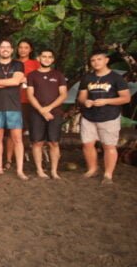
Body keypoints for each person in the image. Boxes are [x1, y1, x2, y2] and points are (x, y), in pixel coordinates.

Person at [77, 50, 131, 184]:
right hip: (89, 116)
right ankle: (92, 169)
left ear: (106, 60)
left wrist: (106, 101)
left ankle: (108, 174)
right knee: (87, 144)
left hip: (109, 117)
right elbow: (81, 97)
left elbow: (126, 98)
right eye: (93, 60)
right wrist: (86, 102)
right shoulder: (87, 78)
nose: (96, 62)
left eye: (99, 59)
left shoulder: (116, 78)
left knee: (109, 146)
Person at [0, 39, 28, 180]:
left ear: (11, 50)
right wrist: (10, 82)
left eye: (7, 47)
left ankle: (20, 170)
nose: (5, 49)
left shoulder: (18, 64)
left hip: (14, 106)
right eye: (2, 47)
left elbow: (15, 82)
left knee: (17, 138)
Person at [26, 49, 68, 179]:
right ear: (39, 58)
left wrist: (48, 108)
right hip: (36, 113)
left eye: (50, 57)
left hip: (54, 113)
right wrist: (41, 110)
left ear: (53, 59)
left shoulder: (58, 75)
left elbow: (63, 95)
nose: (47, 59)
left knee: (54, 142)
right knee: (37, 142)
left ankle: (54, 171)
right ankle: (39, 170)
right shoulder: (32, 75)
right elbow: (30, 95)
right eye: (44, 56)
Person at [6, 38, 40, 168]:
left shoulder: (36, 64)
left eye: (26, 47)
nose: (23, 50)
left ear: (30, 49)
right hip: (14, 101)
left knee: (31, 131)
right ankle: (9, 160)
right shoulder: (12, 63)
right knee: (12, 132)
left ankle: (32, 160)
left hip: (31, 101)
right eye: (20, 47)